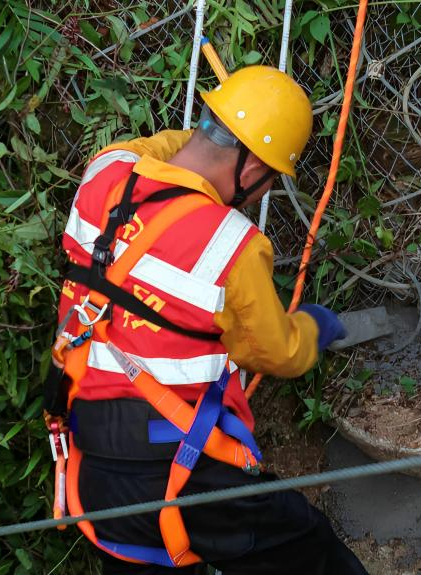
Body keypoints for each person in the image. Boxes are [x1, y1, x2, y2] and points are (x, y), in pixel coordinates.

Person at [49, 66, 368, 574]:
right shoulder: (230, 245)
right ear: (251, 168)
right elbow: (277, 352)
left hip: (92, 469)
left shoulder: (105, 171)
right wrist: (313, 328)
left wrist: (213, 134)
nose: (263, 192)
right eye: (269, 179)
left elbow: (161, 147)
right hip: (179, 473)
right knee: (311, 550)